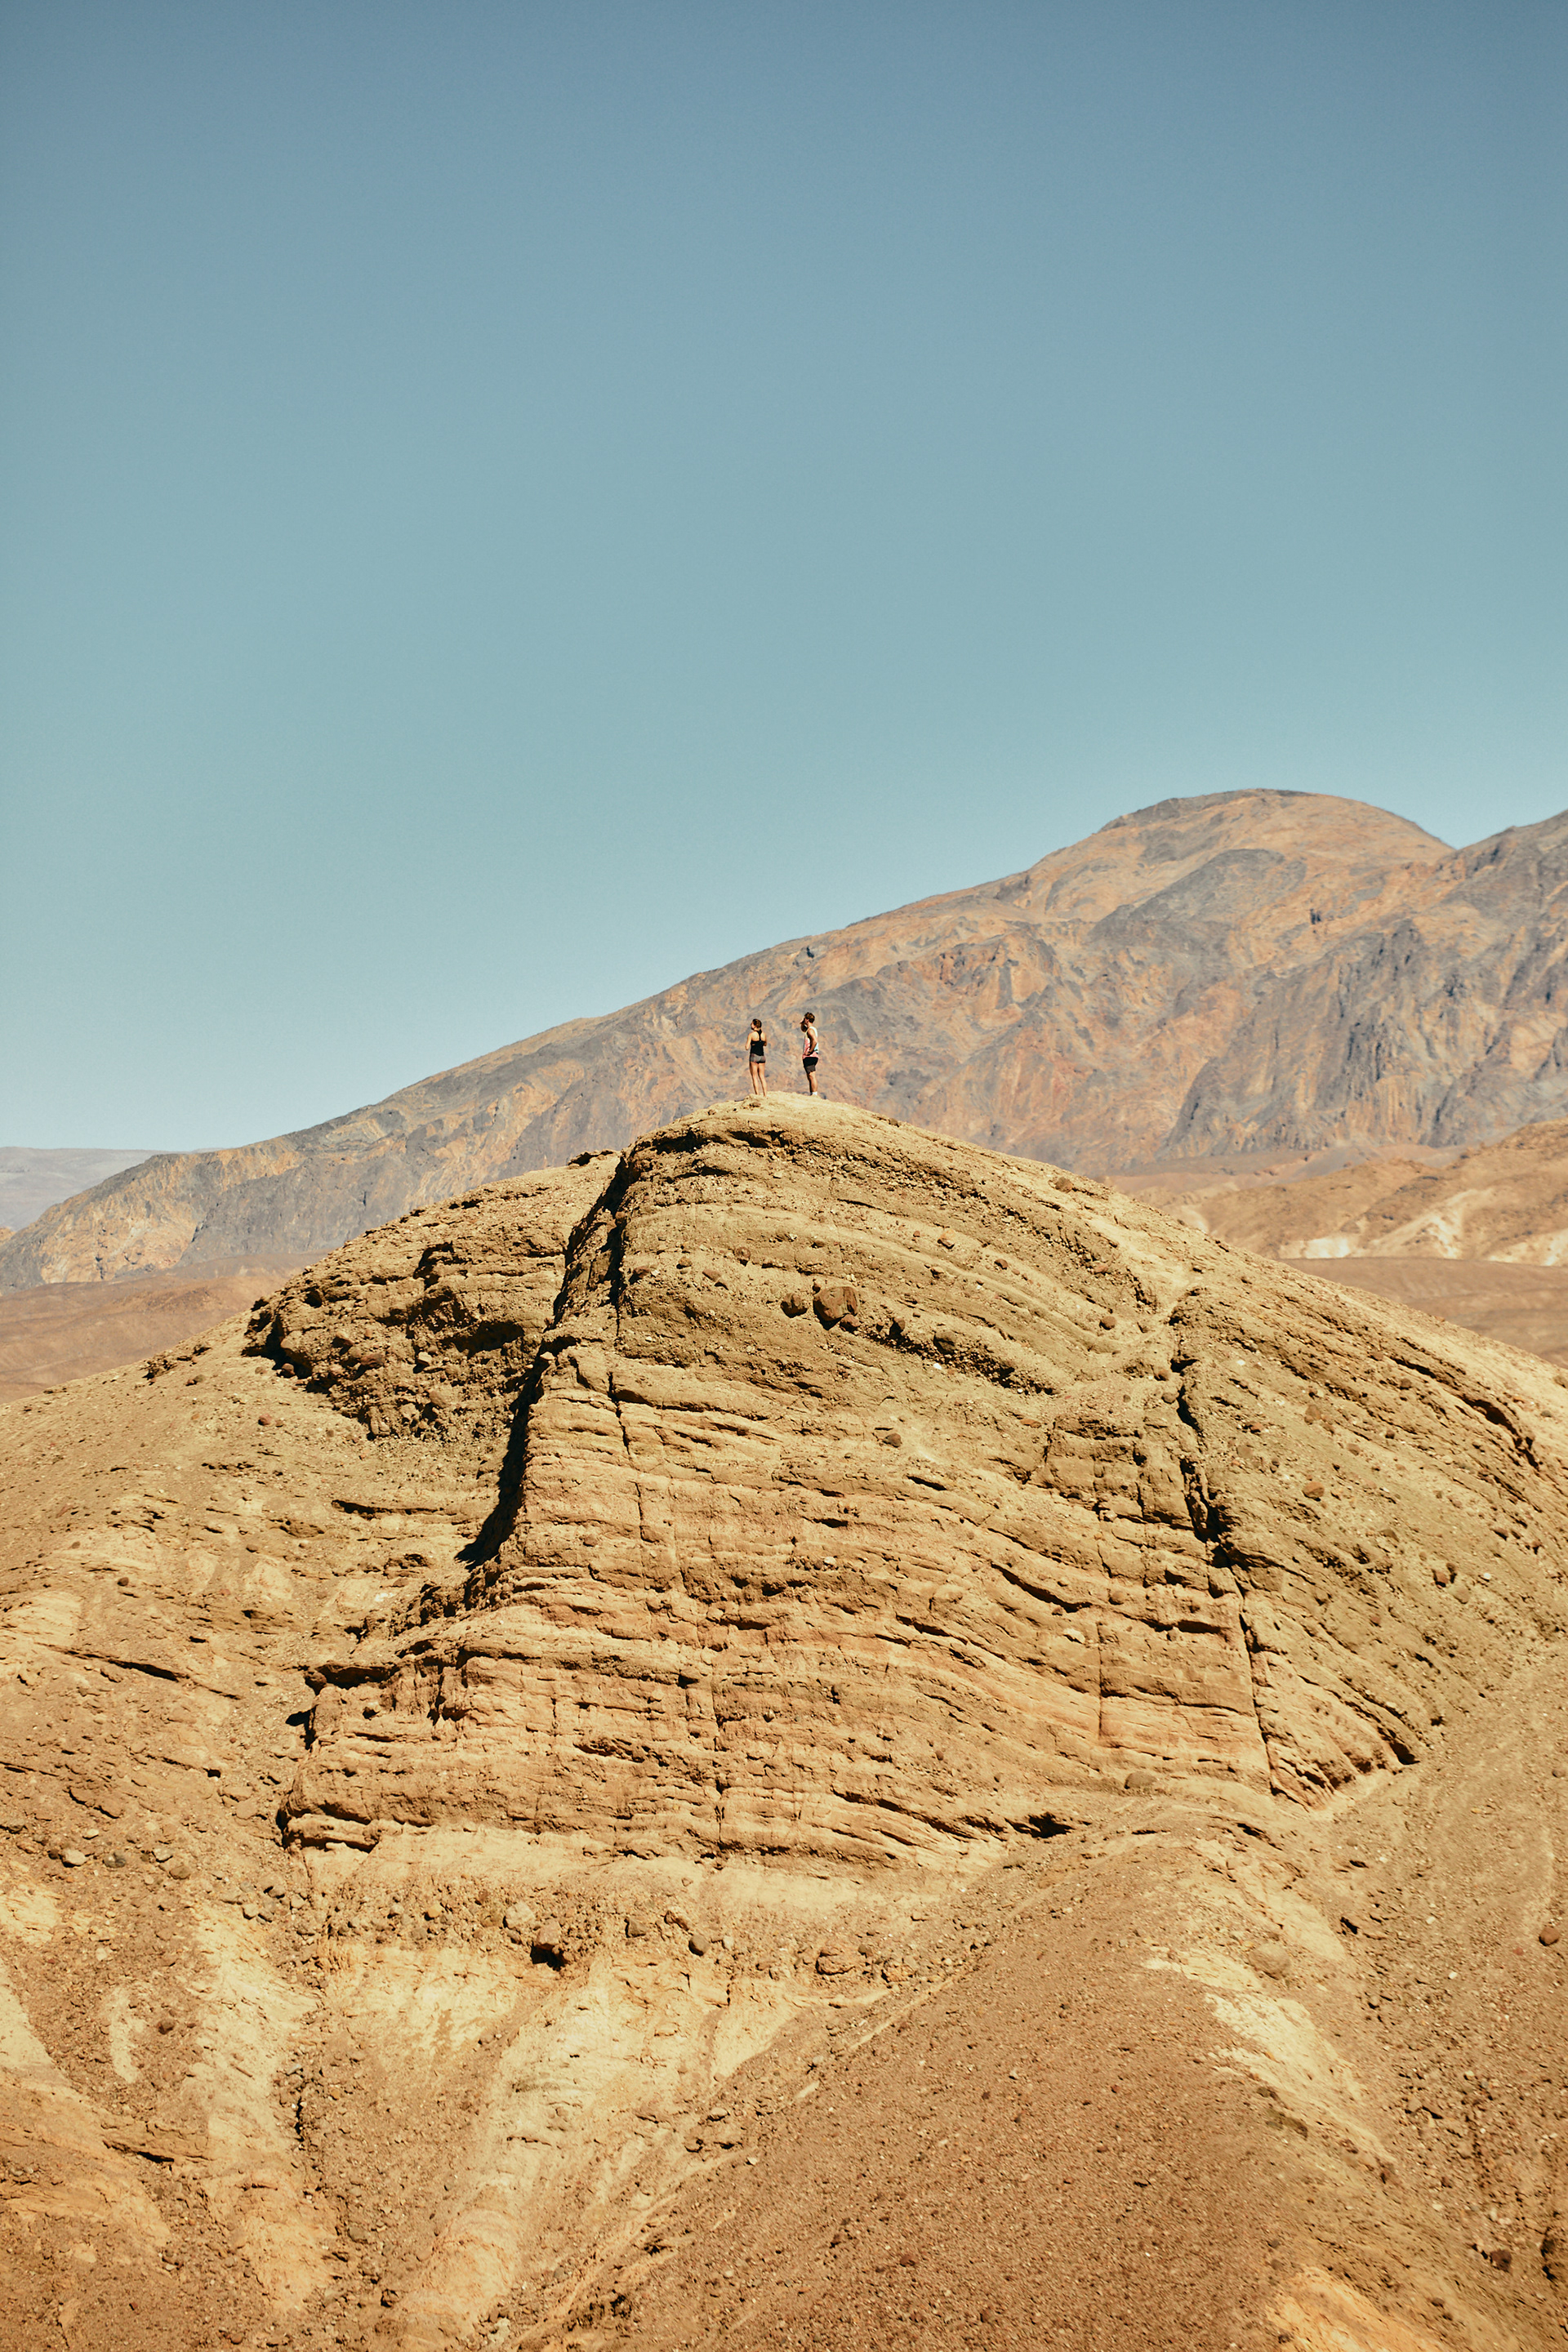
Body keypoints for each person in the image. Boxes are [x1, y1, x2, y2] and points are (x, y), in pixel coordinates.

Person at [800, 1009, 822, 1094]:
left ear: (807, 1020)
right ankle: (812, 1093)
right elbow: (803, 1029)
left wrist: (810, 1051)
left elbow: (815, 1041)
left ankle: (814, 1094)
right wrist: (802, 1023)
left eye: (805, 1019)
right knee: (810, 1075)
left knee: (812, 1076)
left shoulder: (810, 1030)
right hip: (812, 1055)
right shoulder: (810, 1029)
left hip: (810, 1055)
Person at [747, 1017, 768, 1096]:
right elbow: (765, 1044)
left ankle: (757, 1095)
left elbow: (747, 1047)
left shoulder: (751, 1035)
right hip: (762, 1056)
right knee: (762, 1077)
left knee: (754, 1076)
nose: (751, 1025)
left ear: (755, 1025)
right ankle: (765, 1095)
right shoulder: (763, 1034)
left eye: (752, 1024)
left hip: (754, 1056)